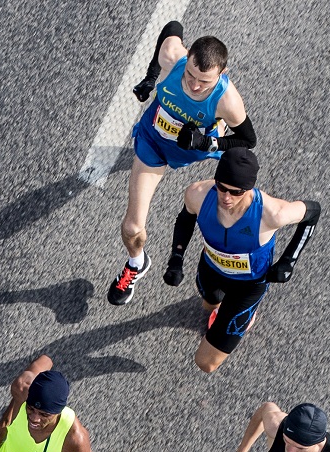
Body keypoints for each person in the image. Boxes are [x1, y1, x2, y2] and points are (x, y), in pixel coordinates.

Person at [107, 26, 256, 305]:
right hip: (153, 146)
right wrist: (151, 78)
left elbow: (248, 140)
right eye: (190, 74)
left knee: (239, 185)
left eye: (204, 81)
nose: (195, 85)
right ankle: (137, 263)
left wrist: (205, 143)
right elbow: (172, 26)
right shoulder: (173, 56)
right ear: (186, 59)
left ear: (221, 74)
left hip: (195, 151)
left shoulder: (227, 100)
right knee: (132, 227)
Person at [160, 147, 322, 372]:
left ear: (249, 188)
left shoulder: (273, 213)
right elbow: (185, 219)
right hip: (210, 268)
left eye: (236, 192)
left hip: (248, 287)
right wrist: (176, 259)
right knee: (209, 304)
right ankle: (219, 310)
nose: (226, 197)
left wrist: (288, 261)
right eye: (222, 188)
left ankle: (243, 315)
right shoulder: (197, 193)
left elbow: (313, 213)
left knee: (206, 363)